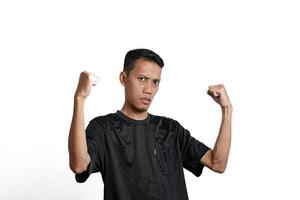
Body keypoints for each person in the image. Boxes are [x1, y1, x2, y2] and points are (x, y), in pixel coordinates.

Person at [68, 48, 232, 200]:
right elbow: (79, 165)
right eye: (142, 79)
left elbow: (217, 163)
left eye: (155, 82)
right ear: (123, 78)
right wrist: (80, 98)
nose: (149, 89)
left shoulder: (171, 129)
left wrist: (227, 109)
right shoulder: (104, 128)